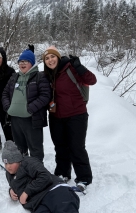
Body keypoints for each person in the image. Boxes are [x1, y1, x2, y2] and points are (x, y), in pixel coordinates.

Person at [42, 45, 97, 191]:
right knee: (60, 147)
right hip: (55, 116)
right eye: (47, 58)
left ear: (58, 57)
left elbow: (92, 80)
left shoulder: (71, 68)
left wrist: (80, 67)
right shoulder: (47, 75)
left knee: (77, 147)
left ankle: (84, 178)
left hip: (76, 115)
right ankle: (62, 173)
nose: (50, 60)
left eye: (52, 56)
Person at [2, 48, 51, 162]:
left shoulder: (40, 76)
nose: (22, 63)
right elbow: (5, 93)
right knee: (19, 147)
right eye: (20, 61)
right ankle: (22, 168)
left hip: (31, 119)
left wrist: (29, 109)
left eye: (26, 61)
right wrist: (8, 108)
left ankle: (37, 170)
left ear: (32, 63)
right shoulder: (15, 77)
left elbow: (45, 96)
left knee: (35, 148)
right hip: (15, 119)